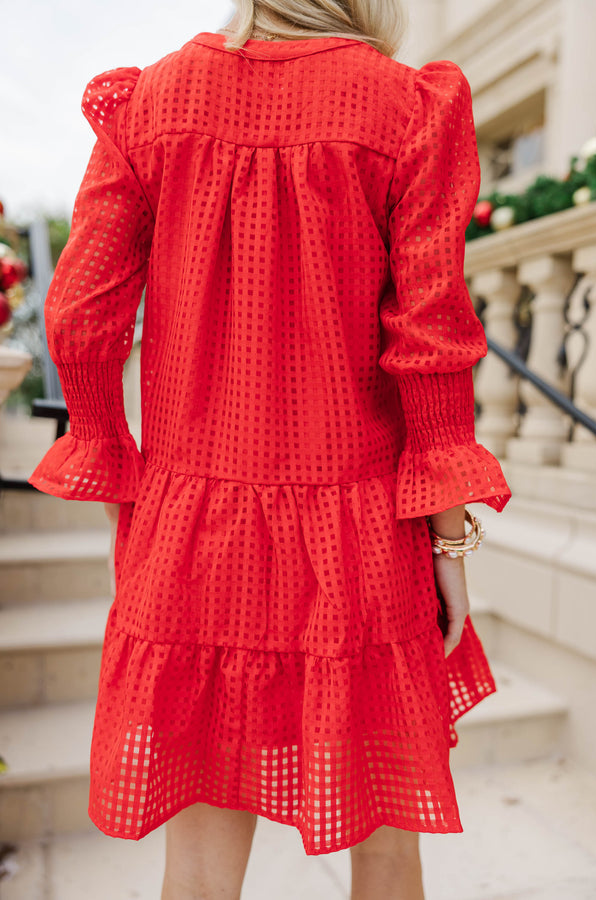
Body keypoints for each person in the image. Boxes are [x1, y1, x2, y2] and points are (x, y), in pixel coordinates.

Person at [30, 1, 511, 898]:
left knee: (202, 849)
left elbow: (79, 316)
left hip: (192, 522)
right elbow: (432, 332)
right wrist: (450, 537)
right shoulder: (405, 106)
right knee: (387, 830)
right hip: (362, 522)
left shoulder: (154, 101)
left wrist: (122, 501)